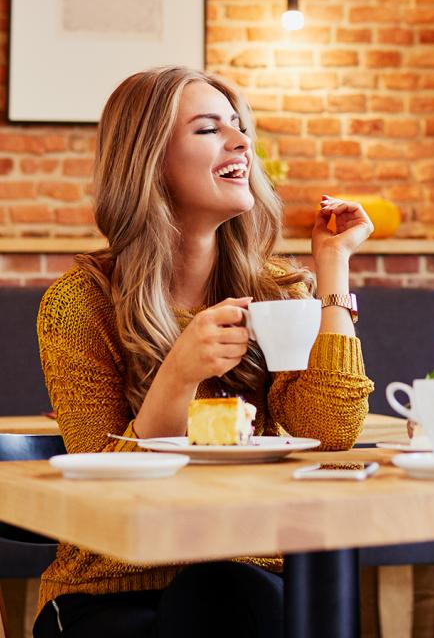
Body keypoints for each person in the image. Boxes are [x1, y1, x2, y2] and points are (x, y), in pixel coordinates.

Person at [33, 66, 374, 638]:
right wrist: (179, 375)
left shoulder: (279, 291)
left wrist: (332, 266)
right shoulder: (80, 303)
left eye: (239, 128)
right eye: (208, 129)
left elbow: (331, 429)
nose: (241, 142)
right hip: (115, 589)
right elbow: (106, 501)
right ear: (148, 160)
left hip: (249, 572)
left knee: (228, 589)